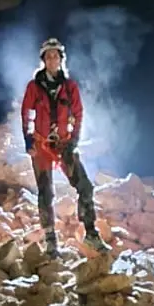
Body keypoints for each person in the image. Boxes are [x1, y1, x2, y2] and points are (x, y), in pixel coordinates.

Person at [20, 37, 111, 256]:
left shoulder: (69, 87)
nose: (52, 59)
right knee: (45, 192)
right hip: (42, 145)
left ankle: (90, 233)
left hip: (63, 145)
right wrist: (29, 140)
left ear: (61, 59)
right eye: (48, 56)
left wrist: (73, 141)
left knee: (85, 186)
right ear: (44, 60)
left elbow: (78, 114)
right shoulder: (34, 87)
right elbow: (27, 113)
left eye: (56, 56)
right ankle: (51, 243)